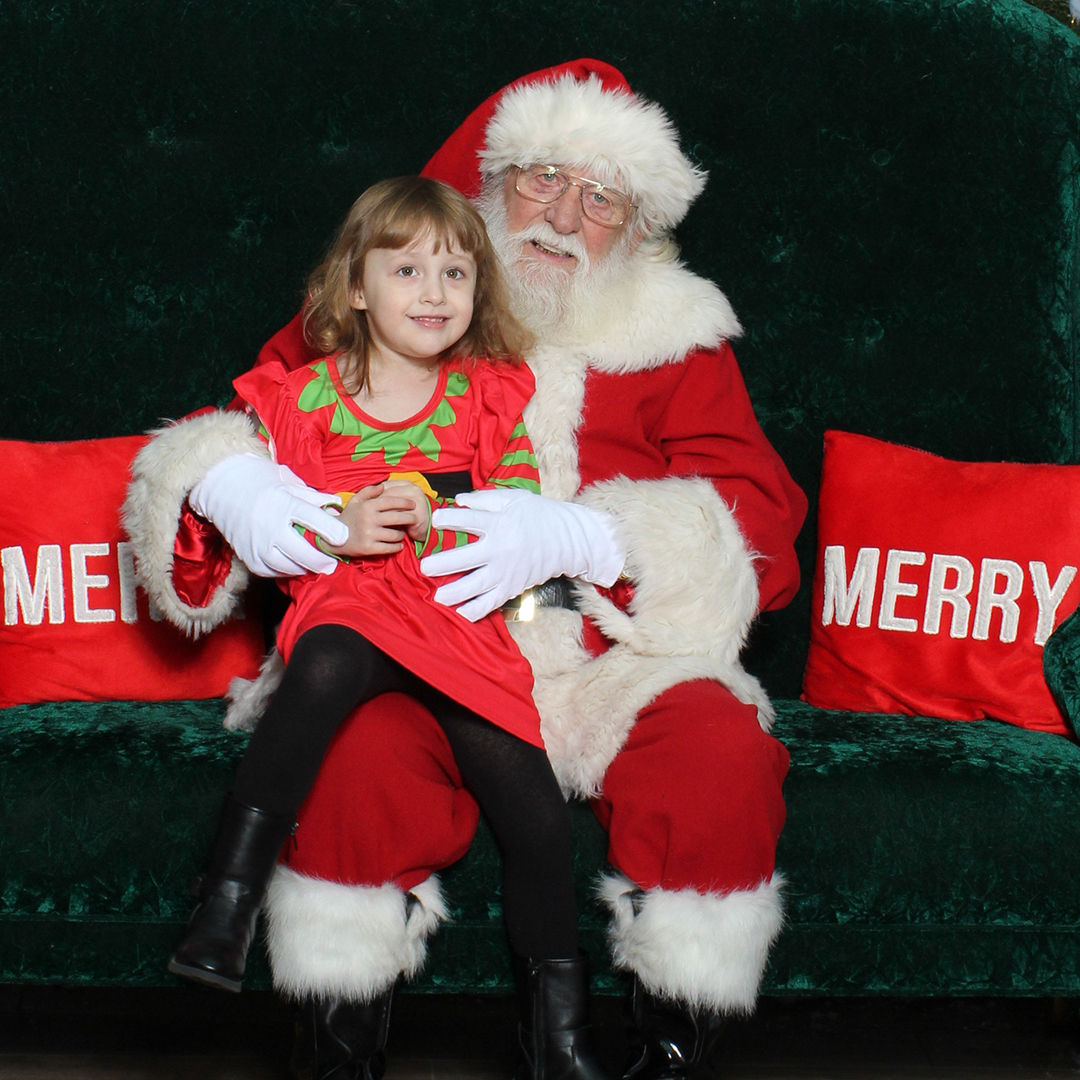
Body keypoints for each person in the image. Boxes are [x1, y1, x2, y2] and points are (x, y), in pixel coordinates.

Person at [123, 60, 807, 1080]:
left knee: (718, 751)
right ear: (493, 179)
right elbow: (253, 413)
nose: (563, 215)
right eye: (540, 176)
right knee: (352, 756)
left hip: (603, 651)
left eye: (600, 195)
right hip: (415, 637)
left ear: (636, 225)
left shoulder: (681, 336)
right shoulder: (417, 284)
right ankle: (338, 1033)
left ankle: (666, 1043)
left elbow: (760, 518)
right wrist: (244, 495)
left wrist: (590, 538)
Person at [156, 172, 615, 1079]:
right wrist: (338, 523)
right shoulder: (309, 398)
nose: (433, 294)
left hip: (456, 620)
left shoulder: (487, 397)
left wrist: (445, 512)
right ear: (356, 287)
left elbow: (515, 514)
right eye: (406, 272)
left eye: (453, 273)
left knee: (536, 814)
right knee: (324, 660)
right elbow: (267, 508)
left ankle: (557, 1036)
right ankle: (226, 903)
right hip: (356, 601)